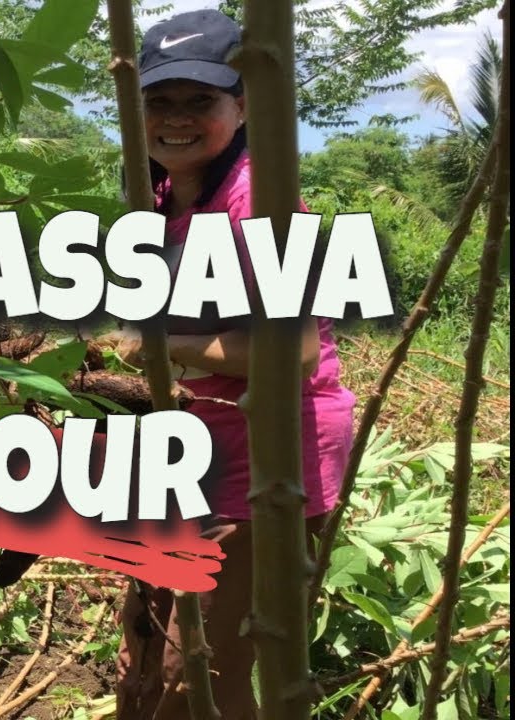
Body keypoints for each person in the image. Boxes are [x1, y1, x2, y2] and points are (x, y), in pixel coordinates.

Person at [108, 10, 356, 720]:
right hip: (190, 446)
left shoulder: (258, 200)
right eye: (160, 101)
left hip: (266, 458)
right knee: (144, 639)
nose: (176, 119)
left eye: (200, 100)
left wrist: (163, 345)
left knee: (206, 665)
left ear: (241, 106)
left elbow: (294, 352)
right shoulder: (159, 194)